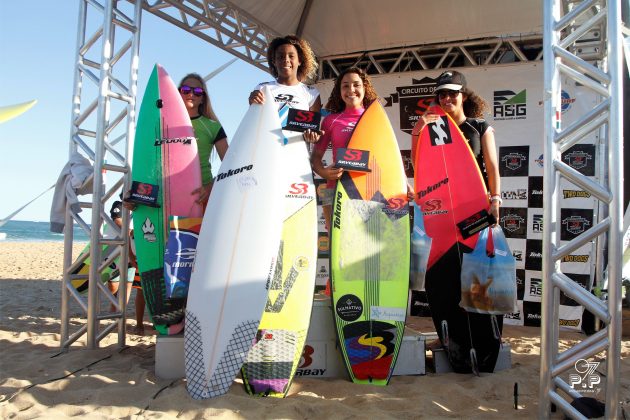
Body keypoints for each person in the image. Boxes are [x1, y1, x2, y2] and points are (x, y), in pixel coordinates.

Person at [411, 70, 502, 373]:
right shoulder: (431, 129)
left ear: (464, 95)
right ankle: (454, 343)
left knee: (480, 278)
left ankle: (488, 343)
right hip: (442, 218)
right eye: (442, 94)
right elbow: (420, 165)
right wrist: (417, 132)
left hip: (475, 213)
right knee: (446, 280)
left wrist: (496, 197)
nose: (447, 98)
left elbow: (490, 164)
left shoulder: (479, 126)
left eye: (453, 93)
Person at [310, 67, 379, 231]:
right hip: (334, 190)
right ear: (339, 91)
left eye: (356, 85)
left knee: (366, 247)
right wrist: (324, 172)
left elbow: (388, 155)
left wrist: (403, 183)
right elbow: (316, 157)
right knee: (337, 249)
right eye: (345, 86)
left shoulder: (375, 118)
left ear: (365, 88)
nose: (351, 90)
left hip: (367, 188)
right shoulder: (331, 120)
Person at [248, 35, 322, 143]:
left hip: (296, 154)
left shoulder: (311, 93)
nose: (286, 60)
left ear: (300, 61)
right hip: (267, 150)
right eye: (280, 56)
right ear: (274, 61)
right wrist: (251, 102)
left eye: (291, 56)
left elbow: (314, 132)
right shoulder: (263, 88)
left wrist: (314, 136)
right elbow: (254, 121)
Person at [178, 73, 229, 207]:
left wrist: (210, 188)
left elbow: (230, 165)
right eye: (186, 90)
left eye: (198, 92)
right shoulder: (162, 123)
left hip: (200, 197)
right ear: (178, 93)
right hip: (168, 194)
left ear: (203, 98)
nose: (192, 94)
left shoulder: (213, 126)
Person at [107, 199, 146, 335]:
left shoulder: (142, 208)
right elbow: (117, 220)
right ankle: (113, 309)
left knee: (129, 284)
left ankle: (120, 311)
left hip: (134, 252)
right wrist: (131, 231)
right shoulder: (118, 204)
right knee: (113, 284)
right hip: (115, 251)